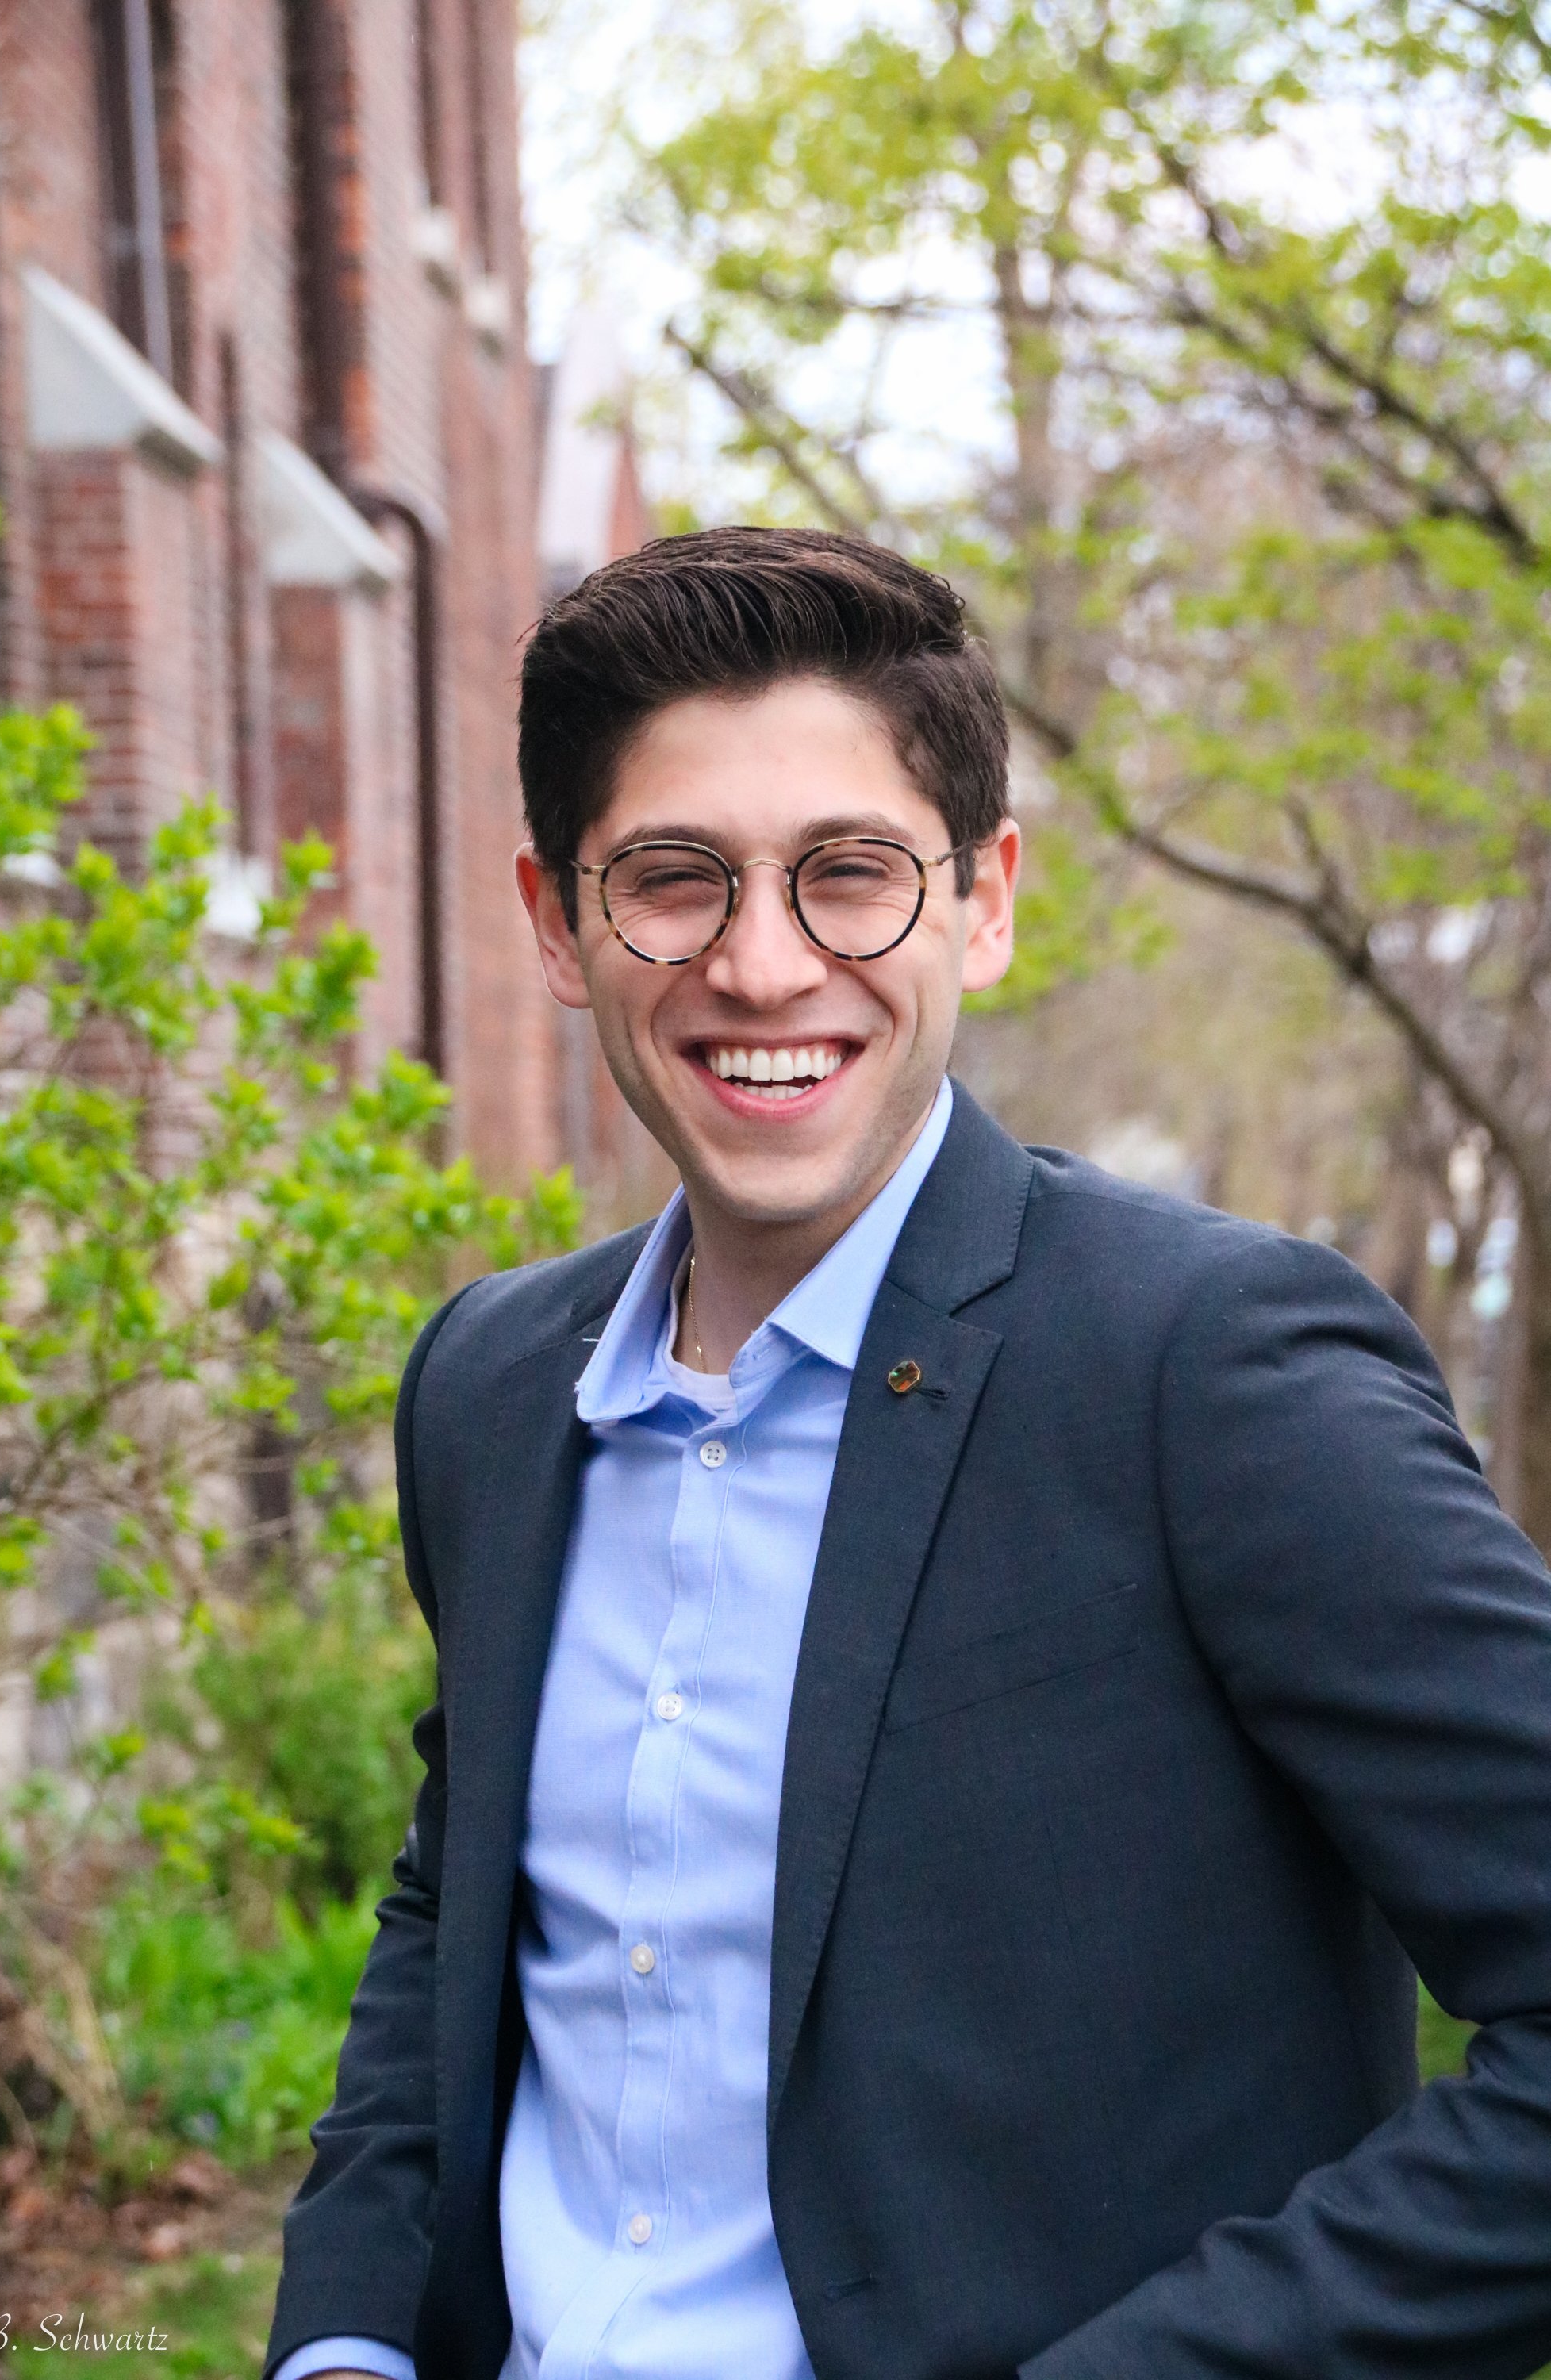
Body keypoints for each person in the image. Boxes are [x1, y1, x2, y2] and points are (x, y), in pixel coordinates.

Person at [263, 528, 1551, 2380]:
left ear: (983, 900)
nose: (764, 965)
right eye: (674, 881)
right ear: (556, 922)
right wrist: (348, 2339)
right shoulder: (488, 1383)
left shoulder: (1210, 1368)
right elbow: (463, 1906)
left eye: (848, 876)